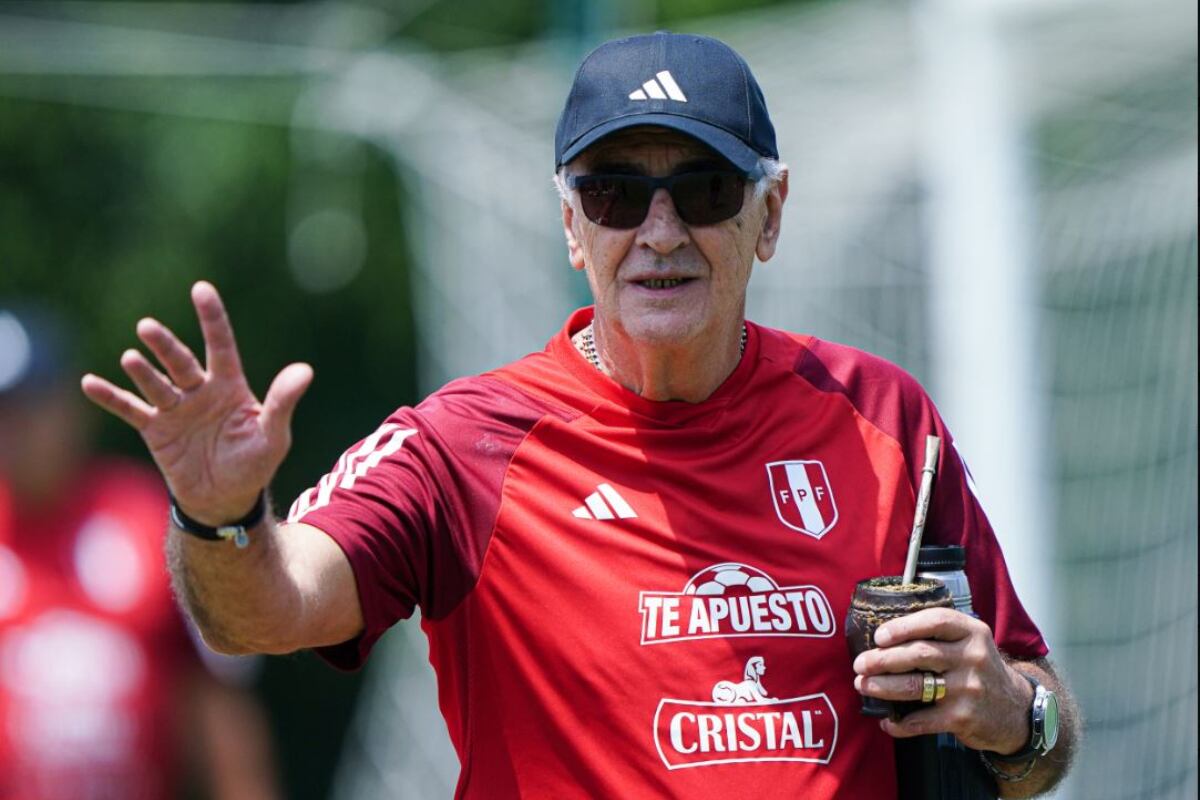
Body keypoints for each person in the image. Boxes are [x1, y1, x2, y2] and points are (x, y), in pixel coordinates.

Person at [81, 32, 1077, 799]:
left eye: (703, 187)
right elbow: (268, 606)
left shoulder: (884, 419)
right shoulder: (461, 446)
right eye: (614, 193)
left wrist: (1010, 713)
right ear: (571, 225)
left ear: (768, 216)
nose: (659, 231)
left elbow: (1045, 725)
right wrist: (219, 516)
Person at [0, 306, 281, 800]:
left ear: (69, 408)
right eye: (3, 415)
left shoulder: (145, 517)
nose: (13, 433)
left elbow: (215, 696)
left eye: (28, 409)